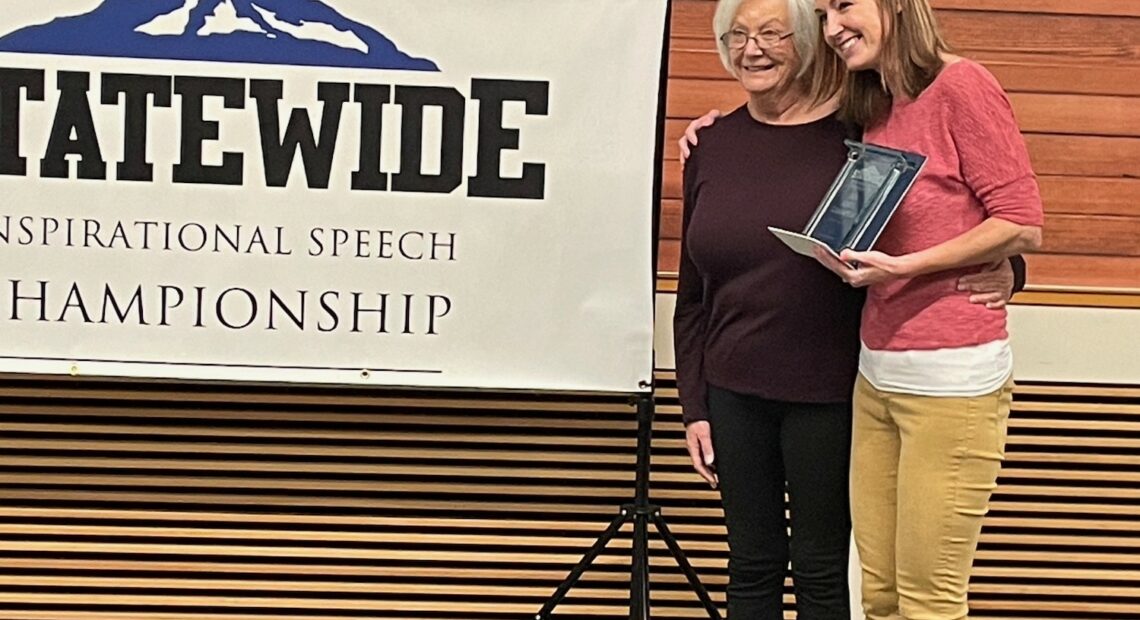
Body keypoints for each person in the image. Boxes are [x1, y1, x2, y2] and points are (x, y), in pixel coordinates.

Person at [671, 0, 1020, 617]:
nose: (753, 48)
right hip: (735, 390)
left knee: (823, 567)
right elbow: (693, 291)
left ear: (806, 43)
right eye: (738, 35)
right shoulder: (711, 144)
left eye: (773, 33)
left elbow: (943, 211)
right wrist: (694, 405)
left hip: (837, 392)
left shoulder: (861, 130)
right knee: (752, 564)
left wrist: (1008, 268)